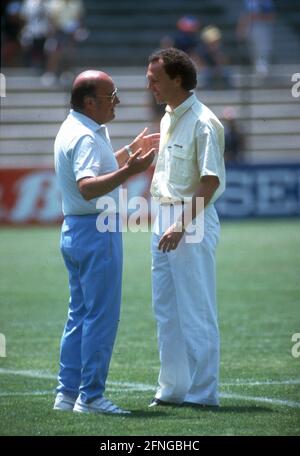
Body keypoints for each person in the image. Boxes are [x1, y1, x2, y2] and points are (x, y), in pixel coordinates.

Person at [53, 70, 159, 414]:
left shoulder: (77, 128)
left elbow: (95, 167)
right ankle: (92, 397)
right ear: (89, 102)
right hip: (97, 229)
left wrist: (128, 151)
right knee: (101, 316)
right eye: (110, 96)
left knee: (79, 314)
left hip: (76, 228)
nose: (117, 101)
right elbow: (88, 185)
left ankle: (67, 394)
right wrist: (131, 171)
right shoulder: (85, 136)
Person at [146, 48, 225, 407]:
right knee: (166, 311)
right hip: (164, 218)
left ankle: (203, 392)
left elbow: (209, 183)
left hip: (188, 221)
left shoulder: (205, 122)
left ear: (177, 79)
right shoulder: (167, 117)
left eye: (156, 80)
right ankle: (173, 389)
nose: (151, 86)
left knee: (196, 309)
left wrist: (179, 225)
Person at [236, 0, 276, 76]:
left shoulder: (266, 2)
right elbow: (244, 15)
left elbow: (271, 16)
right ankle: (256, 68)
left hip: (262, 27)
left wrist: (256, 17)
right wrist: (241, 27)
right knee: (252, 50)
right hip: (250, 27)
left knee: (263, 49)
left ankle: (262, 67)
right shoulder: (248, 2)